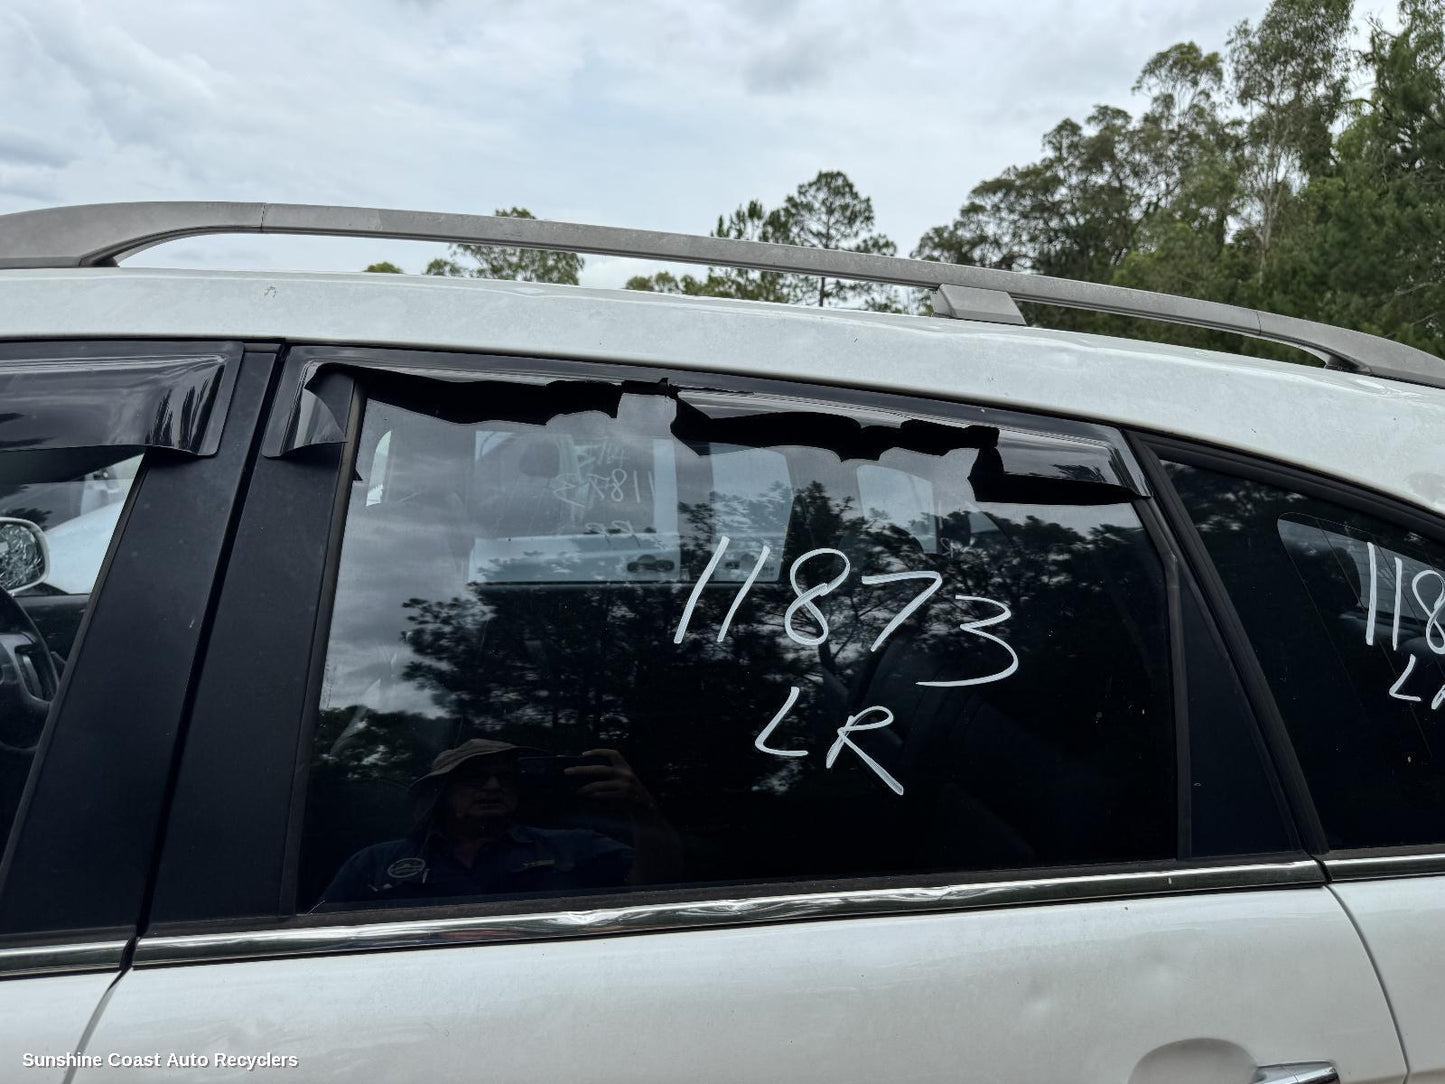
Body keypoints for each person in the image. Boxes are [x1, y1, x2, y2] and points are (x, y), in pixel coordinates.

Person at [315, 738, 679, 908]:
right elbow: (321, 937)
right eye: (474, 778)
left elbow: (660, 889)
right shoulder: (375, 865)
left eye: (505, 777)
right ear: (440, 792)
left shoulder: (572, 847)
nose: (492, 786)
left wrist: (642, 807)